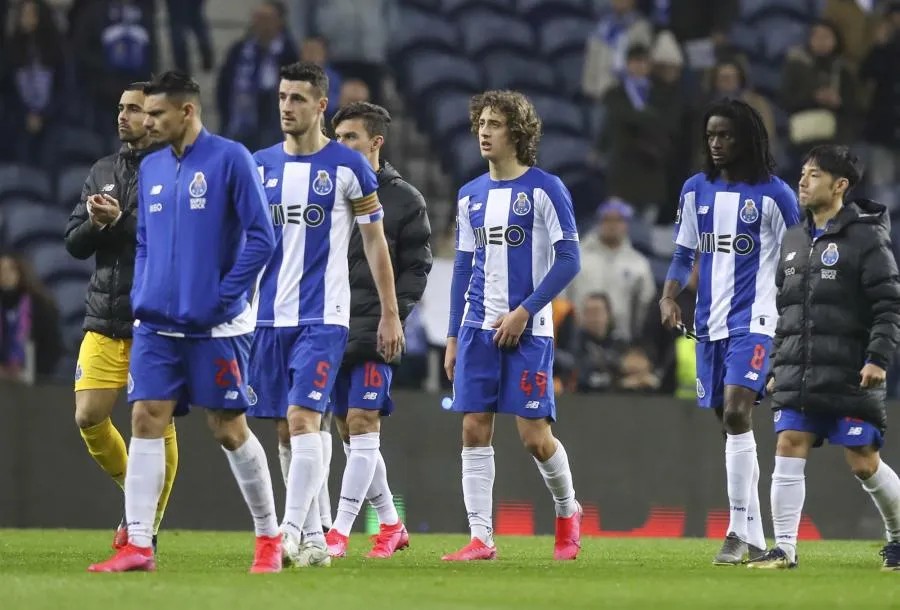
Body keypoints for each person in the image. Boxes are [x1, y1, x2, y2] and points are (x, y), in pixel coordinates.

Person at [87, 71, 279, 574]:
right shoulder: (151, 167)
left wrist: (224, 298)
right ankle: (140, 546)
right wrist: (143, 292)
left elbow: (262, 238)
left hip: (216, 328)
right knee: (145, 418)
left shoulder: (231, 158)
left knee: (227, 429)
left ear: (187, 112)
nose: (146, 122)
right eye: (143, 113)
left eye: (156, 114)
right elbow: (145, 240)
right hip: (156, 325)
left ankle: (268, 538)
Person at [245, 62, 403, 568]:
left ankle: (287, 534)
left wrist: (390, 314)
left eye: (297, 98)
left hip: (324, 317)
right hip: (267, 318)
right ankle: (314, 537)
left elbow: (375, 243)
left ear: (320, 107)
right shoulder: (258, 165)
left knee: (304, 417)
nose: (287, 106)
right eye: (282, 96)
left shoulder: (349, 167)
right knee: (285, 432)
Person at [443, 90, 583, 562]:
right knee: (474, 428)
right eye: (481, 123)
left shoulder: (546, 189)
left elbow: (569, 260)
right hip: (477, 328)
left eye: (495, 124)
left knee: (533, 438)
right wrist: (450, 335)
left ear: (518, 133)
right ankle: (481, 538)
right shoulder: (469, 196)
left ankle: (568, 511)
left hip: (531, 330)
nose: (484, 131)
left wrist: (524, 311)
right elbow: (462, 269)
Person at [660, 98, 801, 565]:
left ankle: (736, 531)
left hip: (757, 321)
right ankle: (755, 538)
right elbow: (683, 254)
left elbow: (800, 258)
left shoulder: (776, 195)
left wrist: (793, 323)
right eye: (711, 135)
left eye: (726, 135)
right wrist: (668, 295)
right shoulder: (695, 190)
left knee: (739, 414)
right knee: (729, 424)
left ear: (748, 139)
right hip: (709, 325)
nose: (716, 144)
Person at [748, 146, 900, 570]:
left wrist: (877, 360)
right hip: (799, 373)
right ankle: (785, 549)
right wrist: (778, 365)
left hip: (851, 375)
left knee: (864, 463)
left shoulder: (867, 237)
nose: (803, 180)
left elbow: (889, 307)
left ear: (840, 186)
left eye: (814, 175)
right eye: (803, 173)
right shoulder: (794, 239)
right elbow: (787, 311)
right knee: (787, 444)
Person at [64, 82, 177, 555]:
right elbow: (73, 242)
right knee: (89, 416)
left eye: (134, 109)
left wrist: (119, 221)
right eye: (121, 108)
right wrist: (96, 223)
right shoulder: (102, 170)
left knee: (154, 422)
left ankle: (143, 523)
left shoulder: (174, 169)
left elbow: (175, 234)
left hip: (153, 319)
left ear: (153, 116)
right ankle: (139, 498)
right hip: (104, 316)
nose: (123, 116)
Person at [323, 101, 432, 558]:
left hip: (374, 326)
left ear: (376, 141)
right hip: (328, 323)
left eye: (351, 136)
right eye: (338, 136)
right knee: (348, 428)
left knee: (365, 424)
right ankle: (390, 524)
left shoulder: (403, 199)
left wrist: (394, 316)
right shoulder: (326, 187)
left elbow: (416, 267)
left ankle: (340, 533)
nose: (342, 145)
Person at [0, 252, 61, 382]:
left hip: (33, 380)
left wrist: (36, 374)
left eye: (10, 269)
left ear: (21, 272)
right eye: (1, 270)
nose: (4, 275)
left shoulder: (41, 306)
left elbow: (52, 347)